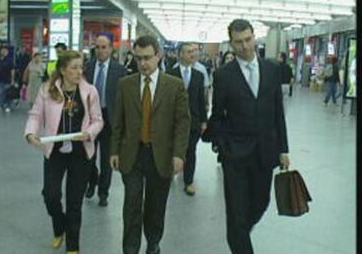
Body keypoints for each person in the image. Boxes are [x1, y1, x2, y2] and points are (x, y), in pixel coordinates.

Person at [209, 19, 290, 254]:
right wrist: (223, 145)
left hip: (265, 152)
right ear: (232, 44)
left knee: (260, 203)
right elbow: (217, 116)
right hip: (235, 155)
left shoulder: (272, 69)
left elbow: (278, 113)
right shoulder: (223, 75)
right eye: (238, 42)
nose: (244, 46)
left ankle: (239, 234)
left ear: (254, 37)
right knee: (235, 213)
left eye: (248, 40)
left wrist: (283, 149)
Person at [110, 35, 190, 254]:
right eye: (138, 58)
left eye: (147, 58)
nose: (143, 63)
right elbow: (118, 121)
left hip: (161, 155)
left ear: (158, 56)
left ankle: (153, 242)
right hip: (132, 155)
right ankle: (130, 249)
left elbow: (183, 123)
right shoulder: (125, 84)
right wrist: (114, 150)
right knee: (132, 206)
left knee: (156, 206)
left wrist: (179, 154)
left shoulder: (174, 86)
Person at [24, 50, 103, 254]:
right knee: (51, 195)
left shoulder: (89, 91)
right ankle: (59, 228)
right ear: (62, 70)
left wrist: (88, 133)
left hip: (80, 152)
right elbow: (35, 116)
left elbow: (98, 121)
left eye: (81, 67)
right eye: (74, 68)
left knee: (74, 202)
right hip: (55, 151)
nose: (79, 72)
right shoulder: (47, 90)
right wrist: (31, 133)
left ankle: (73, 246)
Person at [83, 34, 127, 206]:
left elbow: (123, 98)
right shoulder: (88, 68)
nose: (100, 51)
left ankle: (103, 192)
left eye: (104, 47)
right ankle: (91, 181)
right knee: (89, 157)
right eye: (98, 47)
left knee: (106, 159)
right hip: (91, 119)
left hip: (110, 119)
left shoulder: (119, 70)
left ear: (110, 49)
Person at [166, 42, 207, 196]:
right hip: (173, 121)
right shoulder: (170, 74)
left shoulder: (199, 75)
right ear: (180, 54)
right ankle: (170, 173)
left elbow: (200, 101)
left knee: (191, 151)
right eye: (189, 51)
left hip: (193, 121)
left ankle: (188, 182)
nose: (193, 54)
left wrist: (204, 121)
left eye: (194, 51)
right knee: (172, 149)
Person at [0, 46, 15, 113]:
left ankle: (7, 106)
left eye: (5, 51)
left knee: (7, 93)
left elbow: (12, 70)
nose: (4, 52)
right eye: (2, 51)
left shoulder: (10, 60)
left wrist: (12, 79)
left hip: (7, 79)